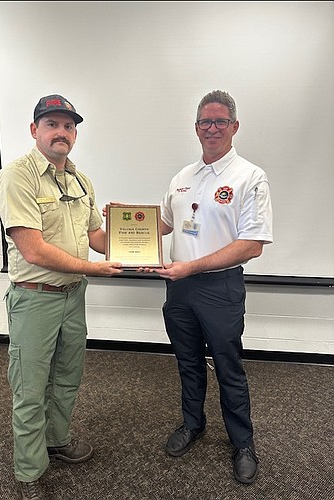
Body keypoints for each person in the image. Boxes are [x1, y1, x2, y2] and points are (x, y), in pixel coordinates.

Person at [0, 94, 123, 500]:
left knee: (66, 377)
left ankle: (56, 439)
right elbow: (33, 249)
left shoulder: (80, 180)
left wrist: (134, 240)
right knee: (30, 388)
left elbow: (95, 236)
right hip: (35, 299)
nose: (61, 132)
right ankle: (30, 472)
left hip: (72, 296)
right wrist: (96, 268)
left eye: (68, 126)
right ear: (35, 130)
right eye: (52, 124)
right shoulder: (17, 176)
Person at [156, 89, 273, 484]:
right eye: (205, 121)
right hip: (180, 289)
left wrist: (192, 266)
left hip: (220, 288)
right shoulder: (182, 177)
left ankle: (243, 442)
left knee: (229, 367)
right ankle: (193, 423)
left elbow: (252, 244)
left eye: (220, 121)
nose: (212, 128)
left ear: (234, 127)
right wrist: (126, 222)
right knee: (187, 361)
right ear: (196, 127)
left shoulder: (250, 177)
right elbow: (165, 224)